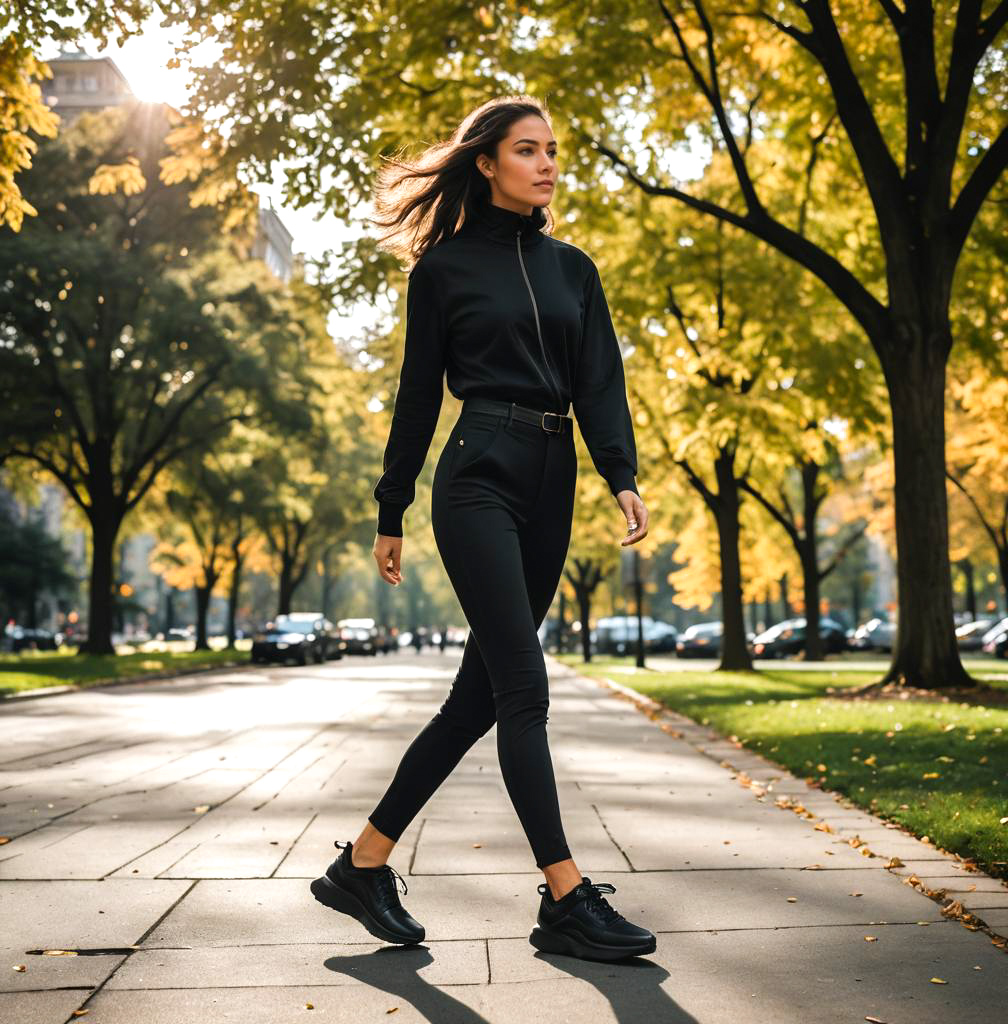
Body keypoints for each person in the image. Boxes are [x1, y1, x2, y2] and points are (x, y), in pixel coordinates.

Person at [310, 95, 653, 962]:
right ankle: (567, 896)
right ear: (488, 164)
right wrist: (392, 506)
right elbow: (418, 393)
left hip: (555, 473)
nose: (546, 164)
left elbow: (600, 378)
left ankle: (364, 863)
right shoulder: (445, 269)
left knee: (478, 697)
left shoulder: (575, 268)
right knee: (523, 690)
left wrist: (621, 474)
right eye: (527, 150)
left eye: (551, 150)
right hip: (477, 476)